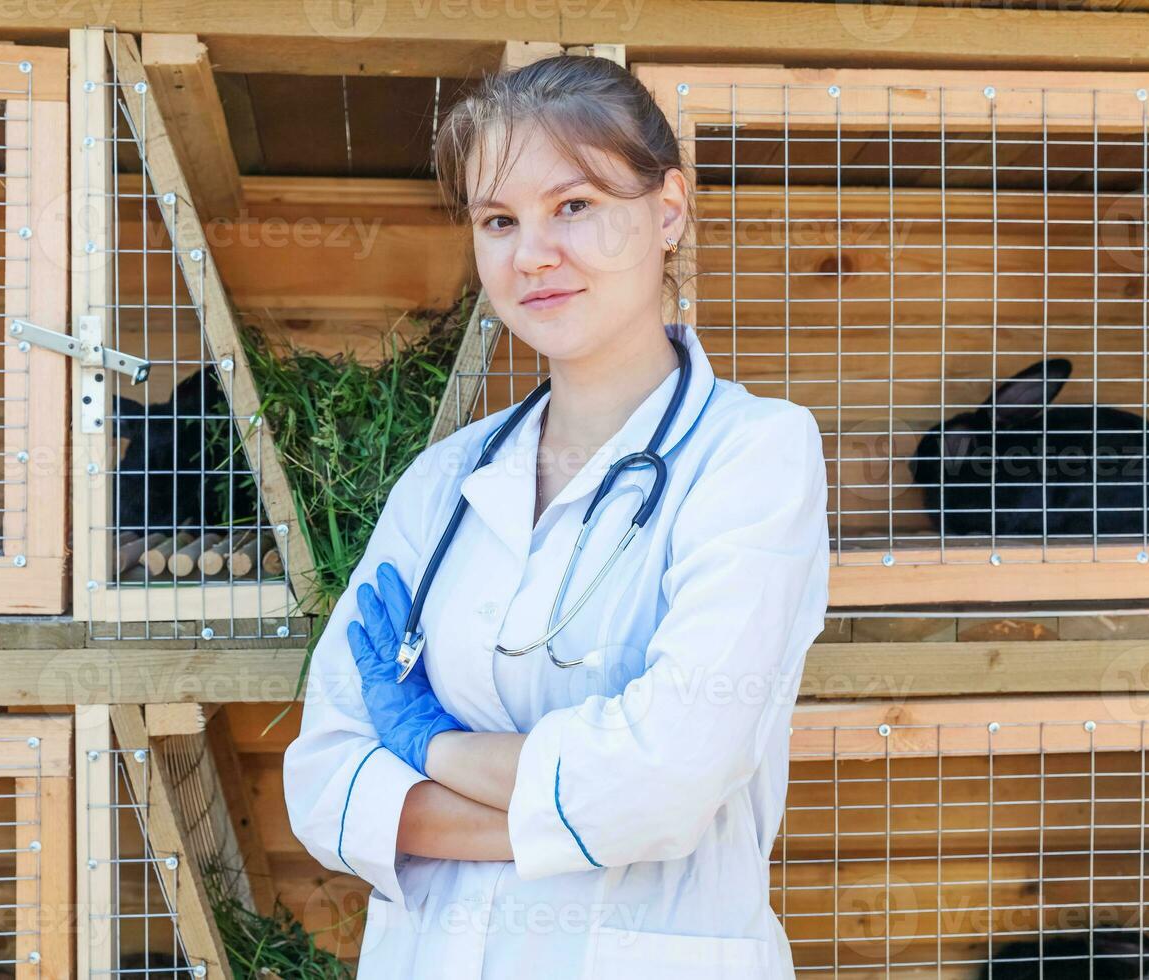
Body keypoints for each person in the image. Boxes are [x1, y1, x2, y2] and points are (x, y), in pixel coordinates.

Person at [283, 54, 829, 978]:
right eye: (499, 220)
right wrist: (575, 815)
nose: (531, 253)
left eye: (572, 206)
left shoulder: (754, 454)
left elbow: (666, 784)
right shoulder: (446, 480)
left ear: (667, 211)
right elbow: (324, 785)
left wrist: (427, 744)